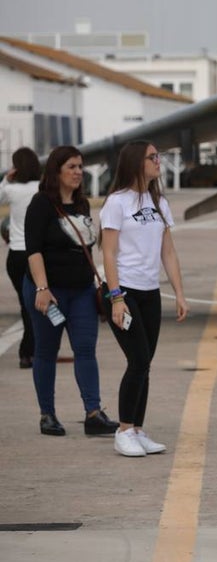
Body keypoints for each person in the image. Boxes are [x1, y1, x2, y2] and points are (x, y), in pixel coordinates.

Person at [100, 141, 190, 458]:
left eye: (158, 157)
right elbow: (108, 252)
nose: (158, 162)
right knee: (137, 360)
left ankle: (137, 429)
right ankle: (124, 430)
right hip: (123, 290)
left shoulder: (159, 203)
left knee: (145, 364)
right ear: (137, 162)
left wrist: (179, 292)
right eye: (153, 157)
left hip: (150, 292)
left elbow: (168, 251)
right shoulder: (117, 203)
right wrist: (115, 297)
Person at [23, 145, 117, 437]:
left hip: (81, 293)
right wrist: (42, 287)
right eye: (72, 167)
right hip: (48, 293)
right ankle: (47, 415)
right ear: (57, 171)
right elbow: (34, 250)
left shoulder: (82, 205)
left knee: (86, 350)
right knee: (46, 351)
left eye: (80, 166)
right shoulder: (40, 204)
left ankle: (93, 413)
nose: (78, 172)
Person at [2, 147, 41, 369]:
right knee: (36, 305)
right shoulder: (42, 189)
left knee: (25, 305)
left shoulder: (13, 191)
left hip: (16, 255)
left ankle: (28, 351)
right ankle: (31, 351)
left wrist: (6, 180)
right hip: (37, 254)